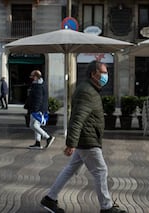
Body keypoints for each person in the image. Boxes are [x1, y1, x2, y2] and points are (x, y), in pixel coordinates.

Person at [40, 61, 127, 213]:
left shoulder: (91, 89)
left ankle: (50, 198)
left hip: (87, 137)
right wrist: (71, 143)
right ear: (94, 74)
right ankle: (106, 207)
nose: (106, 75)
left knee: (70, 169)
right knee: (101, 170)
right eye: (104, 72)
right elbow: (77, 118)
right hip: (88, 138)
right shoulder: (87, 91)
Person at [27, 70, 55, 150]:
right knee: (35, 125)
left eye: (32, 76)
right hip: (39, 108)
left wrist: (35, 110)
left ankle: (48, 137)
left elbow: (38, 99)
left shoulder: (38, 86)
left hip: (38, 109)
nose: (31, 78)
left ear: (36, 77)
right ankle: (37, 142)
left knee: (34, 125)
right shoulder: (41, 84)